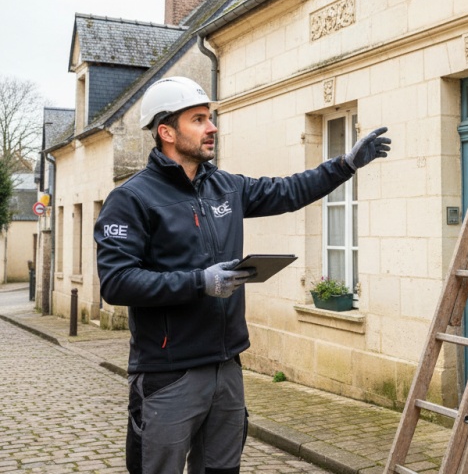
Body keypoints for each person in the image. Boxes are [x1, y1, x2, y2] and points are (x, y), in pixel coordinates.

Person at [94, 75, 390, 474]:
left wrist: (344, 165)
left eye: (210, 118)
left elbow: (287, 191)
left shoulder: (224, 186)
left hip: (227, 366)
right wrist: (201, 282)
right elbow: (117, 282)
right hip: (168, 374)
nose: (212, 127)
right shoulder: (132, 198)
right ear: (166, 131)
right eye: (198, 119)